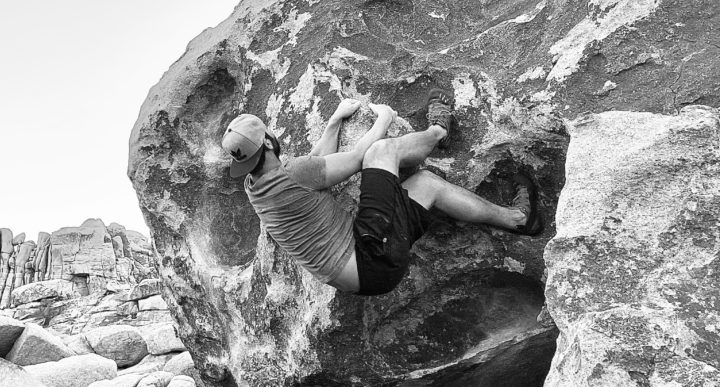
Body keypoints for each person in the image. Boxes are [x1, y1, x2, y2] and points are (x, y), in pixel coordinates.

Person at [221, 91, 541, 296]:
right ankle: (437, 132)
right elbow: (358, 158)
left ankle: (517, 220)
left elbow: (319, 166)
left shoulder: (256, 187)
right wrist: (384, 118)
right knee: (382, 149)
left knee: (426, 185)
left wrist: (334, 122)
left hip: (369, 276)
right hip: (370, 255)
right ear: (266, 141)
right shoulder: (293, 172)